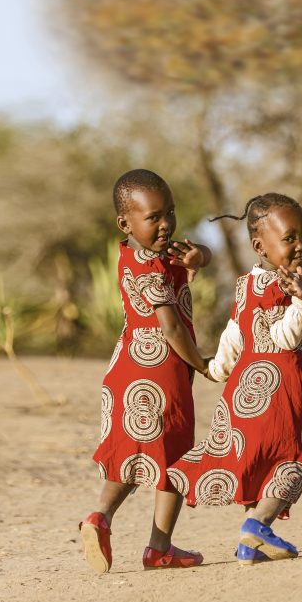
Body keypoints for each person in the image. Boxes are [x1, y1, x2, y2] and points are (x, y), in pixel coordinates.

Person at [169, 193, 302, 565]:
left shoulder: (245, 284)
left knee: (257, 459)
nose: (301, 245)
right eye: (290, 238)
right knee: (290, 460)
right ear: (260, 245)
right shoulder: (285, 287)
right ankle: (256, 524)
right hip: (283, 387)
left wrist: (218, 368)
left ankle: (249, 545)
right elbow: (284, 340)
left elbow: (235, 331)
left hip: (245, 387)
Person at [79, 169, 212, 574]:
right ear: (126, 222)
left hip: (127, 369)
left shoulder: (139, 254)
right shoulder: (151, 268)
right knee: (173, 458)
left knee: (134, 455)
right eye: (153, 217)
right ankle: (159, 547)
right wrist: (203, 365)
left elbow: (201, 253)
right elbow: (170, 327)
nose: (166, 223)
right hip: (161, 374)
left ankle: (101, 517)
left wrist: (198, 257)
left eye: (170, 212)